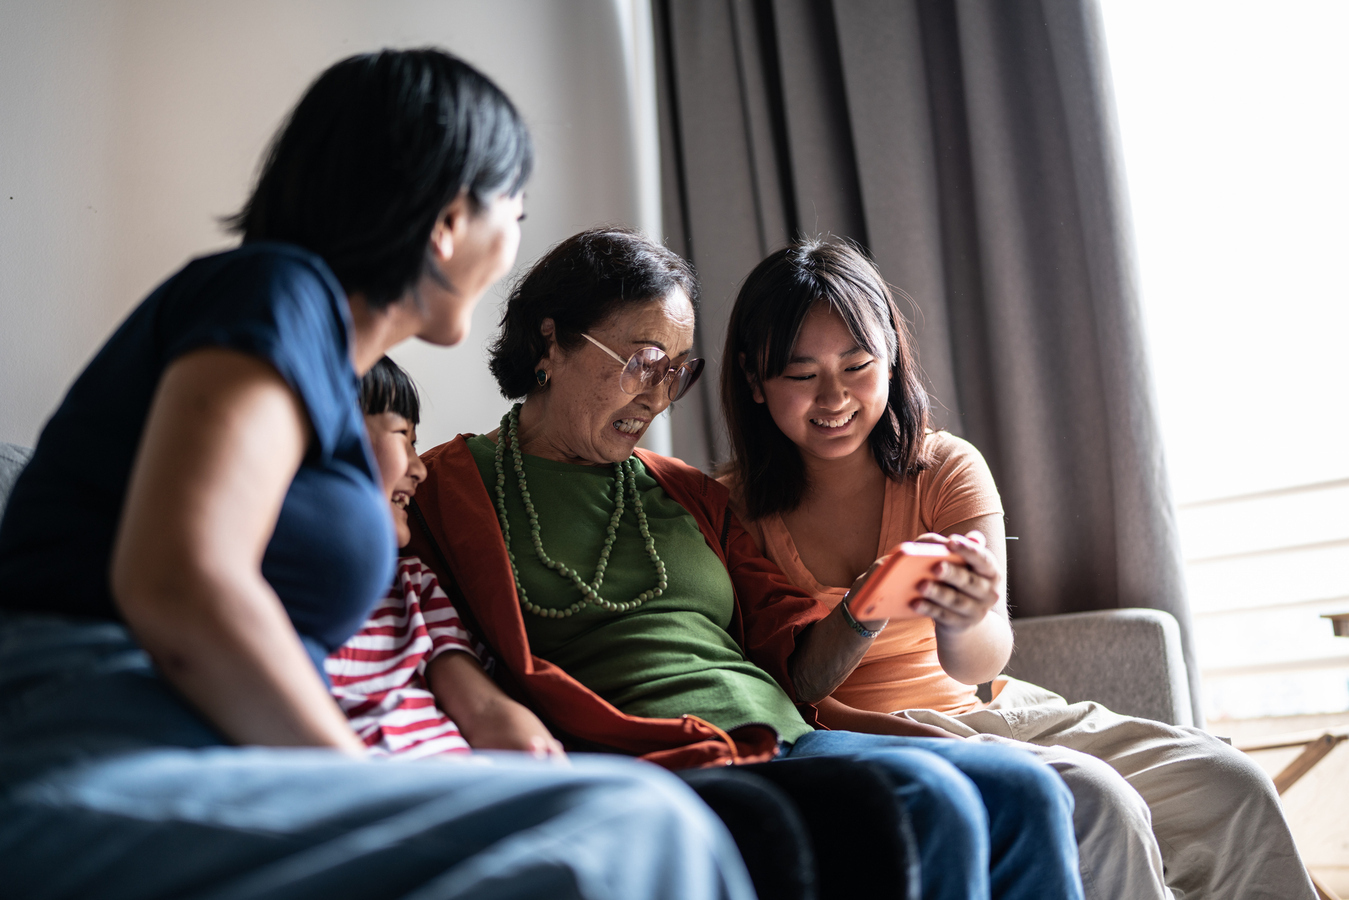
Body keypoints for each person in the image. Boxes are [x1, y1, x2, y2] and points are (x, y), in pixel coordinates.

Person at [0, 50, 756, 900]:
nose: (511, 244)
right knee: (635, 824)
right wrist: (357, 782)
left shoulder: (319, 374)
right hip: (92, 734)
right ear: (447, 223)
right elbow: (180, 586)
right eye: (512, 212)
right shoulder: (275, 291)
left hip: (186, 738)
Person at [408, 226, 1088, 900]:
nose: (657, 397)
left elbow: (800, 670)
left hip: (784, 734)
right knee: (929, 797)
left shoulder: (686, 491)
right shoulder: (446, 488)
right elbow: (418, 628)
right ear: (551, 343)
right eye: (643, 361)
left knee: (1025, 789)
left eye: (676, 372)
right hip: (647, 752)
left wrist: (866, 603)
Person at [715, 236, 1317, 900]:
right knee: (1100, 802)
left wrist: (967, 616)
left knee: (1229, 782)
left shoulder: (944, 467)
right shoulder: (725, 510)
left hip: (987, 711)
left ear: (890, 357)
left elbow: (979, 666)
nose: (834, 397)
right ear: (754, 380)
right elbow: (789, 689)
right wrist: (864, 608)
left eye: (857, 365)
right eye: (800, 375)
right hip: (867, 737)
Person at [328, 356, 565, 759]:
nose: (419, 470)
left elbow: (482, 707)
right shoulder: (256, 591)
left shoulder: (411, 585)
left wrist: (544, 759)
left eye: (416, 444)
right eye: (401, 436)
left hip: (458, 774)